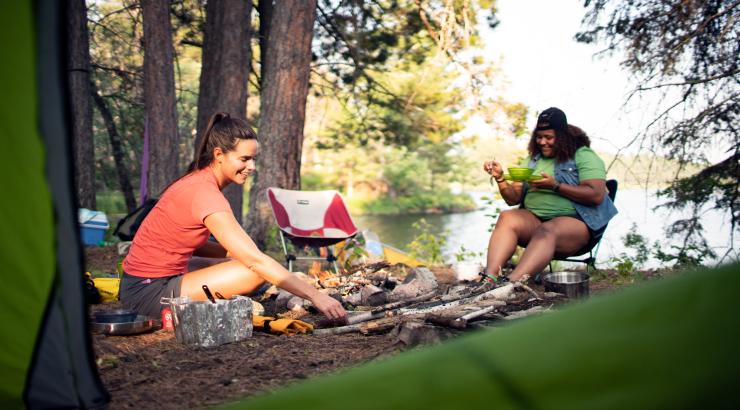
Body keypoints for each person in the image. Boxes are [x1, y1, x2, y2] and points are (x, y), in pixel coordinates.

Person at [119, 112, 347, 323]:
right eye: (245, 159)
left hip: (139, 283)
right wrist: (317, 296)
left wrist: (235, 254)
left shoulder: (197, 181)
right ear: (219, 154)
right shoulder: (204, 193)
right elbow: (255, 262)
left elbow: (187, 243)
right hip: (149, 293)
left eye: (254, 159)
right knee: (252, 270)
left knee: (241, 260)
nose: (252, 167)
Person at [481, 107, 617, 282]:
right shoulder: (531, 161)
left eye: (549, 137)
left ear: (562, 136)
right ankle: (489, 279)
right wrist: (500, 178)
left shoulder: (583, 155)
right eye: (539, 137)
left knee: (548, 229)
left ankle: (511, 284)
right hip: (535, 223)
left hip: (575, 225)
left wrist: (555, 186)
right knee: (507, 217)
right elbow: (512, 199)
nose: (542, 142)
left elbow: (596, 195)